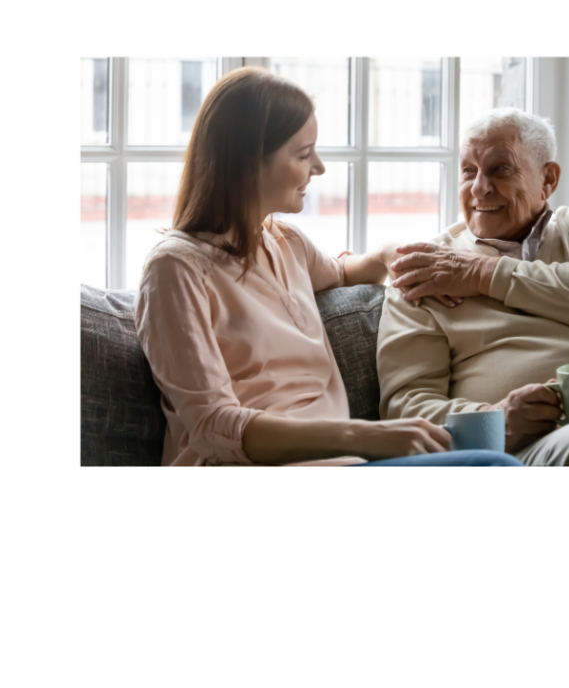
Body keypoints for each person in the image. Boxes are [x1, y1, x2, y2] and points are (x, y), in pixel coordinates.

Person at [134, 67, 523, 468]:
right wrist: (366, 435)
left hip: (345, 464)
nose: (318, 167)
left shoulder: (286, 244)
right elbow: (212, 426)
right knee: (493, 466)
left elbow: (345, 272)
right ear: (248, 160)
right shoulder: (174, 269)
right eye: (303, 154)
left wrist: (392, 255)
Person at [377, 106, 569, 466]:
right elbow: (405, 406)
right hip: (545, 441)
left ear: (548, 180)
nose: (479, 188)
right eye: (468, 171)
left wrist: (484, 274)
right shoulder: (426, 272)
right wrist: (494, 418)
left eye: (500, 169)